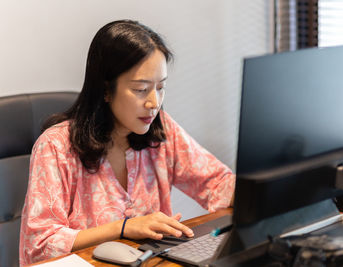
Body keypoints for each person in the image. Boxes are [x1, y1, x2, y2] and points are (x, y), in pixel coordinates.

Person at [19, 20, 235, 265]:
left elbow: (217, 184)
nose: (154, 102)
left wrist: (273, 184)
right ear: (106, 90)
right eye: (141, 89)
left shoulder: (161, 128)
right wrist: (123, 228)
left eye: (161, 87)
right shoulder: (55, 147)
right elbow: (39, 245)